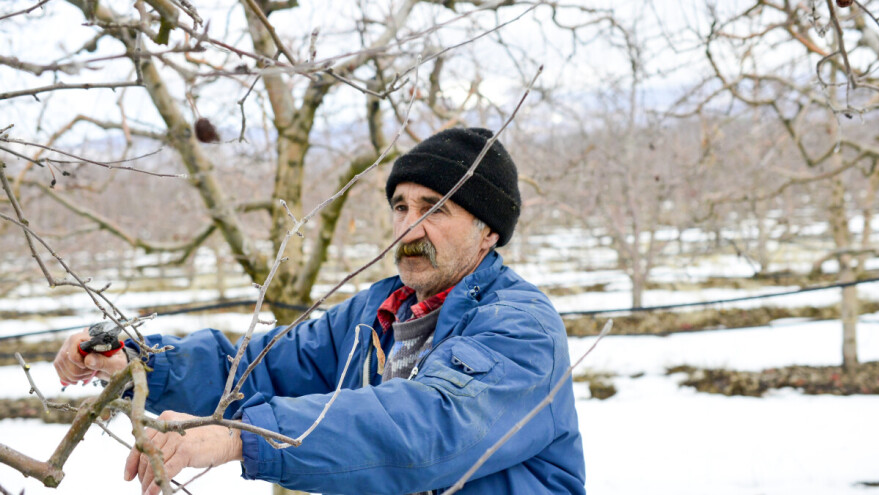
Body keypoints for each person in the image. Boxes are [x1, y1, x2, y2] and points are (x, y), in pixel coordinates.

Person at [54, 127, 586, 495]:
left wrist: (242, 435)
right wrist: (138, 362)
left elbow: (431, 426)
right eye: (401, 206)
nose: (409, 226)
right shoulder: (377, 313)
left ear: (488, 231)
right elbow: (262, 365)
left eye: (436, 209)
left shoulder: (521, 325)